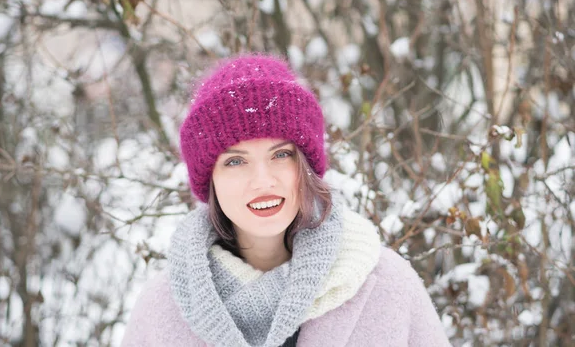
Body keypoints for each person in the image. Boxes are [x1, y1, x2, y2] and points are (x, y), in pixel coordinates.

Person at [120, 54, 451, 347]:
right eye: (235, 161)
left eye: (281, 154)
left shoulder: (388, 286)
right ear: (210, 181)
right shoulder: (161, 310)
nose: (263, 180)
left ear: (306, 165)